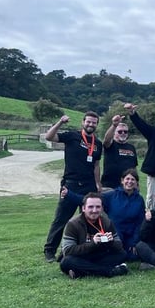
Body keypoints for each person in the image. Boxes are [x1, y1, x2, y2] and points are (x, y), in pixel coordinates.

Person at [43, 112, 103, 263]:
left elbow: (96, 164)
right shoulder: (72, 136)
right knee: (61, 219)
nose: (91, 125)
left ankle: (75, 250)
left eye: (94, 123)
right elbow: (49, 137)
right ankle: (50, 251)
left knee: (86, 220)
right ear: (83, 122)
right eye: (88, 122)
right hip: (71, 184)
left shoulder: (98, 143)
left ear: (97, 124)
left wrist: (98, 183)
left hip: (89, 185)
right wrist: (60, 122)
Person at [62, 169, 145, 261]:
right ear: (122, 181)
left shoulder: (139, 200)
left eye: (133, 179)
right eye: (127, 179)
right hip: (116, 231)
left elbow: (139, 222)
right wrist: (69, 194)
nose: (130, 182)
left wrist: (134, 241)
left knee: (132, 257)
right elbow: (88, 200)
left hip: (130, 233)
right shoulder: (112, 195)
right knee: (119, 253)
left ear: (136, 183)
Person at [59, 192, 128, 279]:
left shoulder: (107, 222)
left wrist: (111, 242)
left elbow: (119, 247)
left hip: (99, 256)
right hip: (81, 257)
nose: (94, 210)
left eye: (98, 207)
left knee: (122, 254)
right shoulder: (73, 224)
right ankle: (109, 271)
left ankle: (81, 272)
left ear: (102, 208)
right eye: (90, 207)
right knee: (66, 262)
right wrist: (93, 243)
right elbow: (68, 251)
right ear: (83, 208)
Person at [100, 115, 138, 190]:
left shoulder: (131, 147)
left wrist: (137, 184)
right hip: (109, 186)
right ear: (114, 133)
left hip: (127, 187)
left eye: (125, 131)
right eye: (120, 131)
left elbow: (134, 167)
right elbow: (106, 141)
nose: (123, 133)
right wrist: (114, 125)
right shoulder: (111, 144)